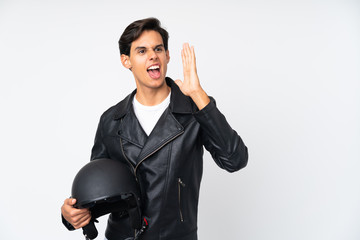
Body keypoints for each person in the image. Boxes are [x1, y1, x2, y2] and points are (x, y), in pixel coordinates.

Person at [61, 17, 248, 240]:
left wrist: (198, 94)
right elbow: (99, 190)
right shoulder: (111, 120)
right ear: (126, 60)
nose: (153, 55)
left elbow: (235, 160)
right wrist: (72, 213)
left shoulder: (196, 108)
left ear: (167, 56)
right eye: (141, 51)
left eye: (158, 48)